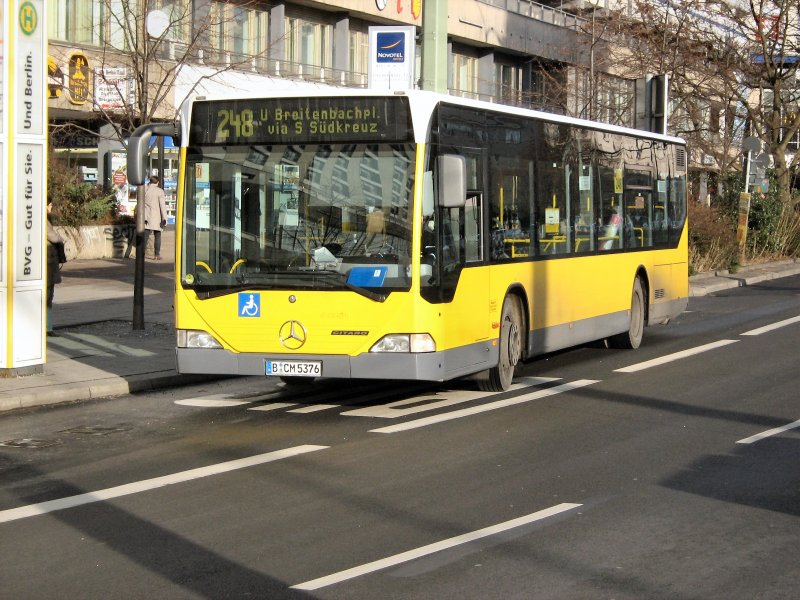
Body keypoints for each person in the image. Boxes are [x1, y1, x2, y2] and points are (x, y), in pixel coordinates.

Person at [46, 201, 65, 337]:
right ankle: (47, 327)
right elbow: (53, 237)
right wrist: (59, 238)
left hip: (49, 262)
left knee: (49, 296)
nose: (51, 207)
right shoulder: (43, 220)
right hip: (47, 263)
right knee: (47, 296)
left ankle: (48, 326)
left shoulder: (46, 220)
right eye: (50, 204)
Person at [143, 175, 168, 260]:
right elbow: (162, 206)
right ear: (157, 182)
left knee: (145, 236)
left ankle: (141, 254)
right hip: (156, 217)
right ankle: (157, 255)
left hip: (145, 217)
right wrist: (164, 218)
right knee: (157, 236)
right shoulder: (159, 191)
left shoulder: (144, 189)